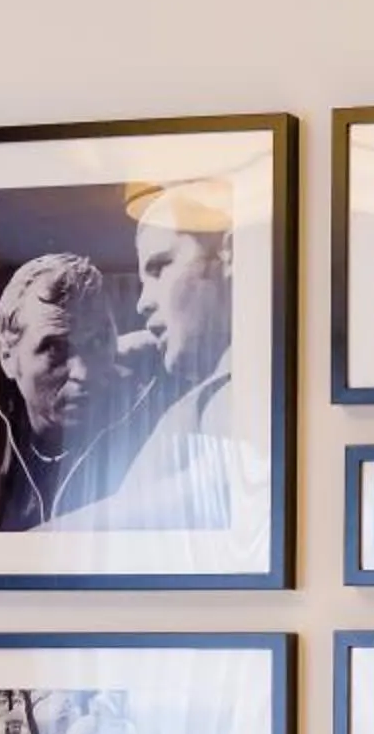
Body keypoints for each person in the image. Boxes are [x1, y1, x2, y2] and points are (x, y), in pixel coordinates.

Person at [62, 182, 242, 534]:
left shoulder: (236, 392)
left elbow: (224, 483)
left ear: (232, 254)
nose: (142, 303)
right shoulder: (211, 394)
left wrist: (32, 545)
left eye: (159, 267)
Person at [0, 253, 128, 532]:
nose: (83, 373)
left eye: (98, 342)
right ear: (7, 357)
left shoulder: (148, 410)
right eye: (55, 349)